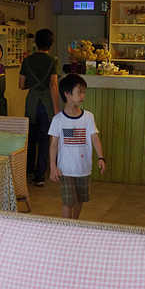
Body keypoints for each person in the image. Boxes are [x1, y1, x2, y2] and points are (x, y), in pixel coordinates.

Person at [49, 73, 105, 219]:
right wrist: (52, 166)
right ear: (67, 94)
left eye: (84, 92)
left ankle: (75, 223)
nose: (83, 96)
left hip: (83, 168)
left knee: (80, 199)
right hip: (65, 170)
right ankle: (67, 227)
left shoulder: (88, 117)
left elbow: (95, 137)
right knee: (68, 202)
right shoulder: (58, 120)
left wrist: (101, 157)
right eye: (79, 92)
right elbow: (53, 144)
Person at [19, 28, 59, 186]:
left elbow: (21, 85)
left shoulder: (27, 60)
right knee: (44, 140)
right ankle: (40, 176)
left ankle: (27, 170)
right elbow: (53, 85)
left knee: (30, 138)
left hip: (31, 103)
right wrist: (56, 109)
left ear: (35, 42)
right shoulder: (52, 61)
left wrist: (33, 84)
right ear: (51, 44)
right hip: (46, 104)